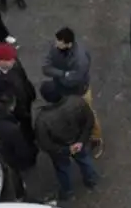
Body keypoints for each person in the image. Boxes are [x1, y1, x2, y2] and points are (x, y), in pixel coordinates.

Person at [42, 27, 102, 158]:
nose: (55, 44)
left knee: (89, 114)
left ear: (68, 43)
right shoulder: (56, 47)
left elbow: (73, 81)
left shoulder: (80, 58)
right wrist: (63, 74)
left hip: (80, 91)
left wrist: (58, 75)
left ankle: (96, 138)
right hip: (63, 89)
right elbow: (45, 68)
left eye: (59, 42)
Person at [36, 81, 99, 200]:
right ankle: (91, 180)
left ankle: (68, 192)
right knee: (85, 160)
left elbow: (45, 144)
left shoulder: (42, 119)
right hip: (79, 140)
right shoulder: (77, 102)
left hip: (61, 150)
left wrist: (65, 150)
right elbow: (89, 120)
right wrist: (81, 141)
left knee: (62, 170)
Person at [0, 42, 37, 147]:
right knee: (20, 126)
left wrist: (30, 93)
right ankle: (25, 140)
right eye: (10, 60)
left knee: (27, 120)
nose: (14, 61)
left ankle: (30, 135)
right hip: (12, 107)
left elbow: (23, 77)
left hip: (24, 100)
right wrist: (5, 109)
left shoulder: (12, 62)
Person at [0, 90, 37, 190]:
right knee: (15, 173)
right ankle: (19, 192)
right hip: (12, 153)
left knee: (9, 167)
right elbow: (22, 149)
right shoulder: (12, 129)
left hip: (0, 147)